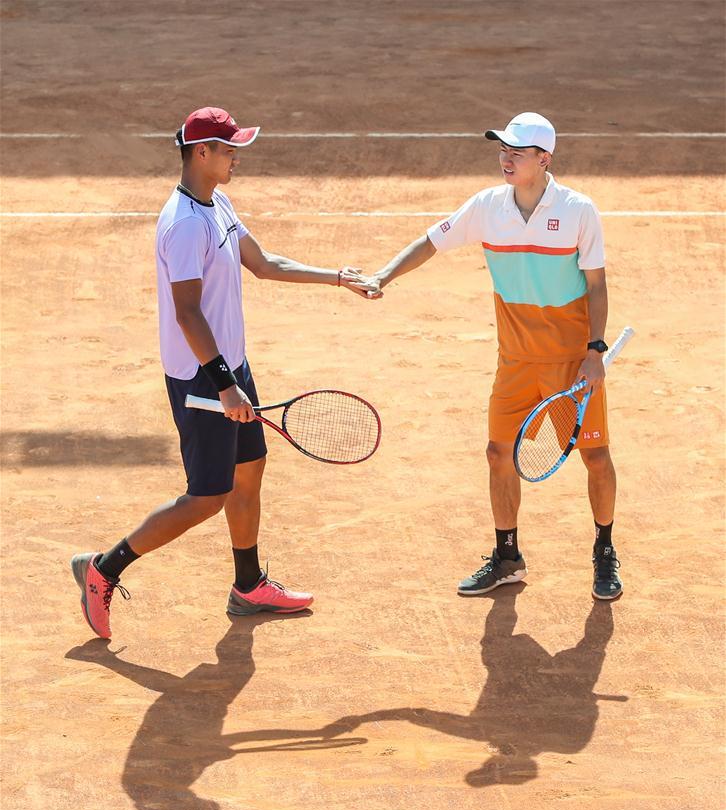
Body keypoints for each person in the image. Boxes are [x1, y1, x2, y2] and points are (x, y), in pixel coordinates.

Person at [71, 106, 377, 639]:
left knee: (250, 468)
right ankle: (103, 567)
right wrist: (224, 384)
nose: (237, 156)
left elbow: (263, 263)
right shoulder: (185, 225)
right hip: (202, 378)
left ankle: (248, 584)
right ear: (201, 152)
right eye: (229, 148)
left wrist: (334, 277)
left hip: (230, 364)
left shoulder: (217, 203)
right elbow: (188, 312)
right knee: (207, 496)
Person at [351, 112, 623, 601]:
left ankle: (604, 549)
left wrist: (595, 350)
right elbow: (431, 242)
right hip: (515, 360)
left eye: (516, 152)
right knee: (499, 454)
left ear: (544, 159)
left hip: (570, 361)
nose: (505, 159)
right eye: (502, 150)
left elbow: (598, 286)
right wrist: (383, 276)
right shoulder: (487, 207)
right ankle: (507, 557)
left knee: (596, 457)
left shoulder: (579, 211)